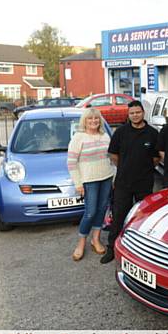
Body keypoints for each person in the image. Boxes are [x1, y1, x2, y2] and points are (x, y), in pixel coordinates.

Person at [100, 100, 160, 264]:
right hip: (123, 183)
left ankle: (142, 251)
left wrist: (142, 167)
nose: (135, 115)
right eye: (132, 113)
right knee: (119, 216)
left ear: (143, 113)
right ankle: (112, 248)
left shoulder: (152, 134)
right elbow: (113, 155)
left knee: (143, 218)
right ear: (129, 115)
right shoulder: (120, 132)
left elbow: (156, 158)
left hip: (144, 183)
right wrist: (126, 167)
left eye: (138, 112)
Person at [67, 108, 115, 262]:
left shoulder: (105, 136)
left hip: (106, 177)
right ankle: (81, 243)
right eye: (90, 119)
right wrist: (78, 183)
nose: (93, 121)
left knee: (102, 209)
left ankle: (96, 239)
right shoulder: (78, 137)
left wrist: (114, 177)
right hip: (89, 181)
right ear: (85, 121)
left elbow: (111, 159)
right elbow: (71, 162)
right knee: (90, 212)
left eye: (96, 119)